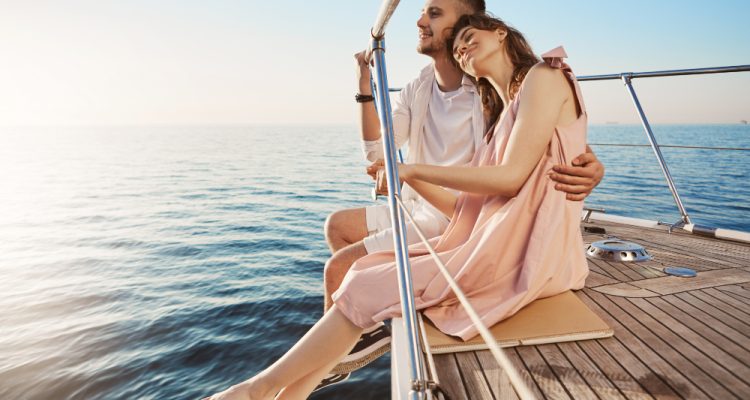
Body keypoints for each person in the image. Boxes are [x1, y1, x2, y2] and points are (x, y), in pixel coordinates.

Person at [205, 12, 591, 400]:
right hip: (498, 235)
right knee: (362, 267)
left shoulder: (542, 76)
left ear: (501, 33)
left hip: (530, 251)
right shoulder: (506, 107)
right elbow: (466, 208)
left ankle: (257, 388)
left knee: (362, 279)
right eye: (457, 48)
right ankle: (289, 394)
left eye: (470, 36)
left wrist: (411, 168)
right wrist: (407, 176)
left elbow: (511, 178)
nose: (462, 48)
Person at [321, 0, 603, 374]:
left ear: (470, 24)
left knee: (340, 269)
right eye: (424, 12)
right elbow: (378, 152)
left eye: (435, 13)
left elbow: (548, 134)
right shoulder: (420, 85)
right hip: (421, 203)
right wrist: (364, 87)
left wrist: (592, 162)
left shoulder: (490, 84)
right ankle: (364, 332)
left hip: (460, 215)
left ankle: (331, 361)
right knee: (337, 226)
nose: (420, 21)